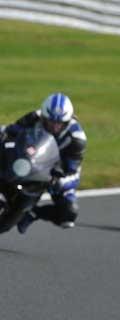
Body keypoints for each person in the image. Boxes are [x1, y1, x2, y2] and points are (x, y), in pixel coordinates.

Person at [0, 93, 87, 233]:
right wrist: (3, 133)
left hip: (52, 175)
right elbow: (12, 130)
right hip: (26, 161)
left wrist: (57, 179)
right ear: (44, 117)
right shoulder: (35, 117)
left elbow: (72, 169)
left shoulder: (77, 140)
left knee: (68, 213)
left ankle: (34, 213)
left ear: (67, 121)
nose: (54, 126)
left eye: (59, 123)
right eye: (50, 121)